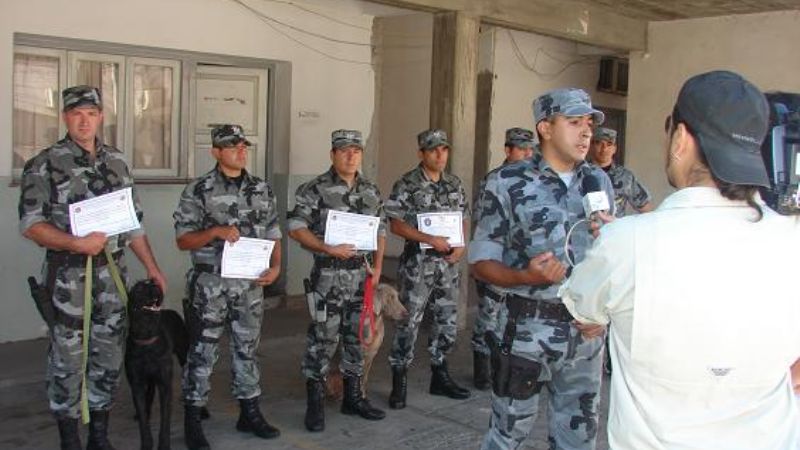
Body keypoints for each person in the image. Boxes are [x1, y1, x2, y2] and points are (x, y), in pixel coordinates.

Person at [561, 70, 800, 449]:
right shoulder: (792, 239)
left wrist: (617, 243)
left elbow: (584, 313)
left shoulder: (625, 242)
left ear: (681, 138)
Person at [18, 85, 167, 450]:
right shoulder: (44, 164)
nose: (84, 120)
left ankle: (98, 438)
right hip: (68, 278)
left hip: (113, 277)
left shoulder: (117, 161)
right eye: (76, 113)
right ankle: (70, 439)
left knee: (108, 357)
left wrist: (153, 268)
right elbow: (31, 226)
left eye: (91, 113)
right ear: (66, 117)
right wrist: (75, 243)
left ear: (101, 116)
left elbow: (133, 224)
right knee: (68, 362)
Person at [470, 88, 614, 450]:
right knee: (508, 436)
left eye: (589, 124)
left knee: (579, 438)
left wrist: (605, 312)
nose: (586, 133)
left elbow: (613, 261)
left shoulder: (599, 182)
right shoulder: (506, 183)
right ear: (545, 128)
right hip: (526, 332)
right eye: (574, 122)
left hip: (586, 336)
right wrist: (525, 277)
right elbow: (481, 263)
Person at [174, 124, 282, 449]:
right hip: (210, 284)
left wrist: (276, 266)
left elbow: (273, 231)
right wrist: (215, 232)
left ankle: (249, 411)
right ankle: (193, 417)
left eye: (243, 145)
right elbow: (183, 240)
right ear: (216, 151)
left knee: (247, 349)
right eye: (232, 146)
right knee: (203, 351)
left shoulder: (261, 189)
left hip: (249, 286)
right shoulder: (198, 190)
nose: (240, 150)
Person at [287, 129, 386, 432]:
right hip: (327, 279)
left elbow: (381, 230)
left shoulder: (370, 190)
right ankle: (315, 404)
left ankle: (353, 397)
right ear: (332, 154)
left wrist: (379, 266)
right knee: (323, 340)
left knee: (357, 337)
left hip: (361, 277)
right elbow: (295, 227)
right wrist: (326, 247)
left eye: (356, 150)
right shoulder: (314, 189)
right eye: (344, 150)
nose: (351, 155)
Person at [385, 128, 471, 409]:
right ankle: (400, 381)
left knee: (446, 321)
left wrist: (461, 246)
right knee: (408, 321)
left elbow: (464, 217)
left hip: (448, 265)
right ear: (421, 153)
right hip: (418, 265)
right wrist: (428, 238)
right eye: (433, 149)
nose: (440, 154)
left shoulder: (454, 184)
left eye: (444, 149)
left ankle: (440, 375)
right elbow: (396, 223)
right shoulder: (407, 184)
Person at [471, 127, 535, 390]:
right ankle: (482, 367)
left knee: (513, 317)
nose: (527, 154)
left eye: (530, 149)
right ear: (508, 150)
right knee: (489, 313)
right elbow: (482, 222)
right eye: (521, 148)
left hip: (522, 262)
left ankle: (505, 366)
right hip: (498, 260)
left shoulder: (537, 180)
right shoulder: (494, 180)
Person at [588, 127, 654, 216]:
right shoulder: (580, 173)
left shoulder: (625, 176)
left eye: (609, 144)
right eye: (599, 143)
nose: (604, 149)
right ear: (591, 146)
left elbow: (647, 210)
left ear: (614, 149)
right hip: (585, 228)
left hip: (615, 228)